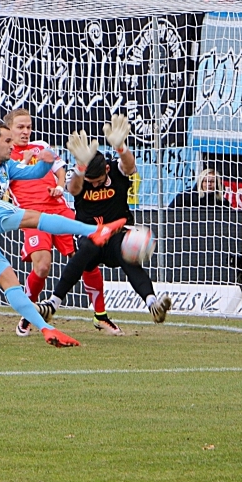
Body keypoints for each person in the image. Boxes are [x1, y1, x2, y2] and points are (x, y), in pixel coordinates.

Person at [0, 122, 127, 348]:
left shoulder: (8, 167)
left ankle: (46, 328)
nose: (13, 145)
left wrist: (46, 162)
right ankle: (96, 231)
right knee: (34, 217)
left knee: (9, 280)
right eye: (8, 141)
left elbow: (33, 172)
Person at [36, 118, 173, 326]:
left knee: (128, 257)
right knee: (85, 251)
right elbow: (73, 189)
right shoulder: (80, 177)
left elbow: (129, 165)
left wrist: (121, 147)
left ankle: (152, 303)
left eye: (98, 181)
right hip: (91, 235)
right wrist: (81, 169)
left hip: (117, 234)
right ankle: (53, 304)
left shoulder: (115, 170)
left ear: (106, 170)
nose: (95, 185)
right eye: (91, 182)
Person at [4, 109, 118, 337]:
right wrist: (24, 162)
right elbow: (3, 182)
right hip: (32, 216)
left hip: (60, 210)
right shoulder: (4, 155)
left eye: (28, 127)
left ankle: (100, 316)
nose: (26, 132)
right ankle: (29, 314)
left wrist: (58, 185)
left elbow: (59, 169)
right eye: (20, 127)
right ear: (9, 130)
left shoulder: (41, 145)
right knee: (43, 266)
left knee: (87, 256)